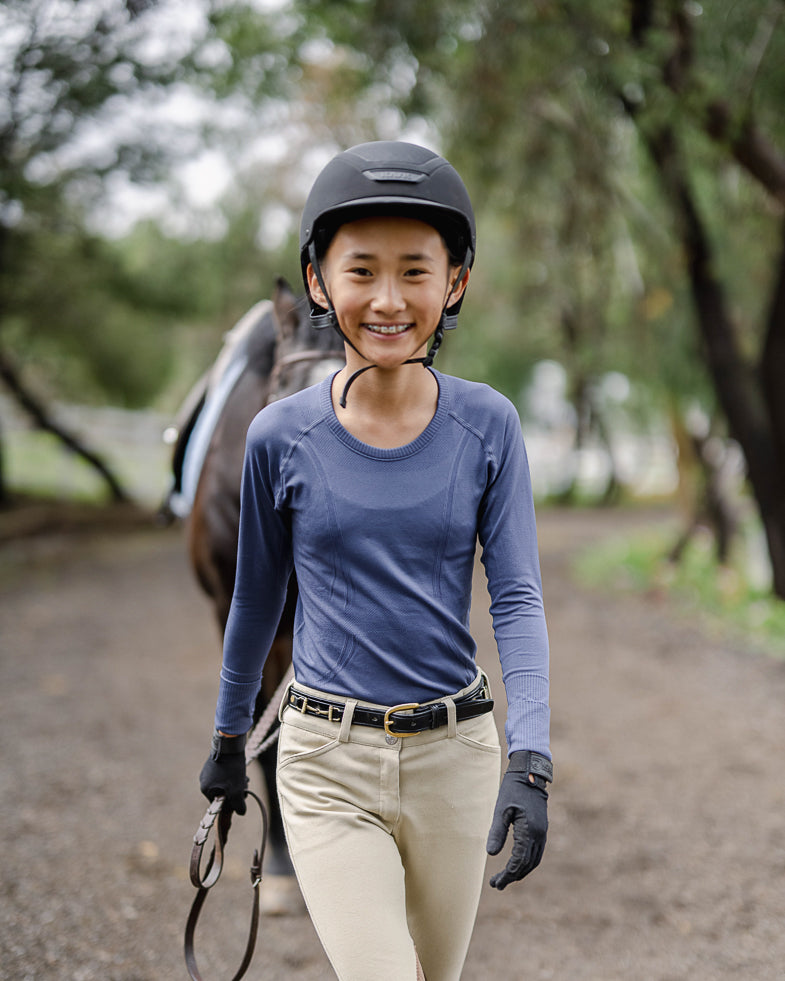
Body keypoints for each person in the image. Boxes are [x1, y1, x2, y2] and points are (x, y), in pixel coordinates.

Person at [199, 140, 552, 981]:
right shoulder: (277, 435)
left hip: (455, 758)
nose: (388, 299)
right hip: (325, 760)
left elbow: (515, 596)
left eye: (414, 271)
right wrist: (228, 735)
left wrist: (530, 756)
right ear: (318, 281)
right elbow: (255, 599)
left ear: (454, 282)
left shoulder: (489, 425)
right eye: (361, 270)